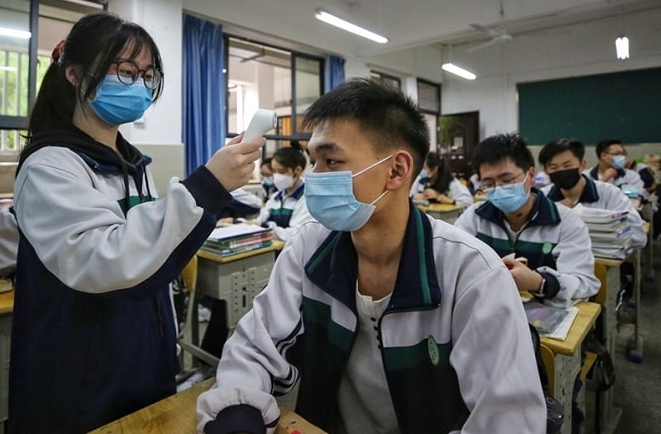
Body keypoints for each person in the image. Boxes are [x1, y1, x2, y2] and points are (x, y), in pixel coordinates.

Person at [196, 78, 546, 434]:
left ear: (396, 171)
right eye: (313, 161)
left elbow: (508, 421)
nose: (316, 177)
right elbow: (255, 347)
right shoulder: (310, 247)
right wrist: (237, 415)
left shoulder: (471, 273)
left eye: (331, 161)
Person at [0, 12, 264, 434]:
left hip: (141, 352)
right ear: (73, 74)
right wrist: (209, 185)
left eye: (147, 74)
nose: (139, 84)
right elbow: (107, 259)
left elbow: (151, 251)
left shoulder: (130, 162)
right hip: (81, 370)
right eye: (125, 71)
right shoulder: (51, 165)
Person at [455, 133, 599, 308]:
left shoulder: (565, 222)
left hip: (544, 313)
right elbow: (453, 263)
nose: (499, 189)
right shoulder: (474, 218)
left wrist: (539, 282)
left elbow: (583, 282)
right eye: (489, 183)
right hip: (488, 307)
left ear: (530, 175)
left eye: (507, 180)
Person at [537, 138, 646, 249]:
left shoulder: (610, 193)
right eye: (553, 167)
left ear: (582, 165)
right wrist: (554, 211)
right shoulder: (542, 197)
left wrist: (581, 213)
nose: (561, 171)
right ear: (546, 170)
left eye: (567, 166)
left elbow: (639, 237)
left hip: (601, 261)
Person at [254, 142, 313, 241]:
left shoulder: (307, 198)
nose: (276, 176)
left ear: (297, 170)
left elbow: (295, 234)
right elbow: (260, 220)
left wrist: (265, 227)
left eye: (281, 172)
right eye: (274, 171)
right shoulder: (276, 197)